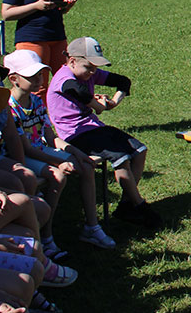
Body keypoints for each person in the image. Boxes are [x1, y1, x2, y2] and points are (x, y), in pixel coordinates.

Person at [5, 49, 116, 253]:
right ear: (14, 79)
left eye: (41, 74)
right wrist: (58, 161)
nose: (40, 80)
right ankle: (46, 235)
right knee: (58, 176)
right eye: (33, 76)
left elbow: (51, 137)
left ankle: (92, 227)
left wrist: (76, 153)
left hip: (41, 151)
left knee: (86, 165)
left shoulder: (37, 101)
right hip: (25, 156)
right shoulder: (10, 107)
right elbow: (26, 149)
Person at [47, 36, 163, 228]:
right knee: (121, 159)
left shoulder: (88, 73)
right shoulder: (64, 78)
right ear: (72, 61)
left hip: (94, 128)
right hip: (75, 135)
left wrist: (113, 103)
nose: (93, 72)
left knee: (140, 151)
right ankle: (140, 206)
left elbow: (123, 81)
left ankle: (126, 204)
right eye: (89, 67)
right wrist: (98, 106)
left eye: (95, 67)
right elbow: (79, 92)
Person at [1, 0, 78, 101]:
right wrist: (35, 6)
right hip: (32, 39)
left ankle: (62, 120)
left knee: (64, 81)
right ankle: (36, 123)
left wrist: (64, 7)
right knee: (37, 86)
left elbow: (56, 4)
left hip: (57, 37)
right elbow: (6, 14)